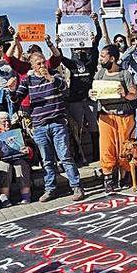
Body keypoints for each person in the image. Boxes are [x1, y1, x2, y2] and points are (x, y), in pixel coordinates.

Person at [8, 53, 85, 202]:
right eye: (38, 63)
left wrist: (51, 78)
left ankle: (76, 187)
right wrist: (12, 90)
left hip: (57, 123)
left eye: (43, 62)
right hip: (39, 125)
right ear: (32, 66)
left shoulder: (55, 76)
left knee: (65, 156)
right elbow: (16, 99)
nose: (42, 66)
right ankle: (50, 189)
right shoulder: (28, 80)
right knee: (47, 160)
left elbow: (65, 90)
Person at [46, 14, 102, 165]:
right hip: (75, 99)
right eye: (76, 48)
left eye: (81, 47)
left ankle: (97, 154)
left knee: (94, 127)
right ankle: (78, 155)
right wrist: (58, 22)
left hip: (90, 98)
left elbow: (98, 40)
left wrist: (96, 22)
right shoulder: (70, 63)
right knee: (76, 129)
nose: (79, 50)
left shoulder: (91, 61)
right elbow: (58, 53)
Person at [92, 45, 137, 192]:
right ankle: (108, 180)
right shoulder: (99, 74)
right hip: (106, 116)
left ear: (112, 58)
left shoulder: (125, 74)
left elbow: (134, 95)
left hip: (124, 116)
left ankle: (125, 176)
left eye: (103, 56)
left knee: (124, 147)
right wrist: (91, 94)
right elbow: (94, 92)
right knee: (106, 148)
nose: (100, 59)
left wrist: (124, 93)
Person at [0, 111, 33, 207]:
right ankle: (4, 197)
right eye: (3, 122)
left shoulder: (17, 132)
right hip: (2, 160)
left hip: (18, 158)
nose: (7, 123)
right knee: (4, 166)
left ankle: (26, 196)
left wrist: (28, 150)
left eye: (8, 121)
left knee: (21, 165)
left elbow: (30, 147)